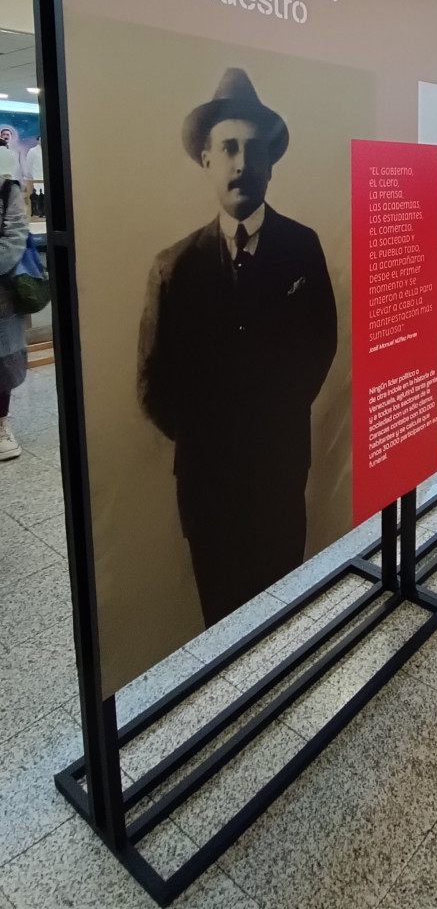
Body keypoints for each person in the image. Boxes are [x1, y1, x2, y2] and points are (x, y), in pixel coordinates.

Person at [138, 69, 338, 629]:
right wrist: (215, 436)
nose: (241, 163)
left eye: (254, 150)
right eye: (228, 147)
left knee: (282, 604)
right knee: (222, 620)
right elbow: (153, 385)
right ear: (206, 158)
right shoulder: (173, 267)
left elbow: (321, 344)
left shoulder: (302, 247)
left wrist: (269, 420)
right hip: (208, 487)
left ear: (271, 163)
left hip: (280, 469)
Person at [0, 145, 30, 460]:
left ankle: (1, 425)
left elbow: (15, 237)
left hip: (2, 294)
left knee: (2, 365)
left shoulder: (7, 188)